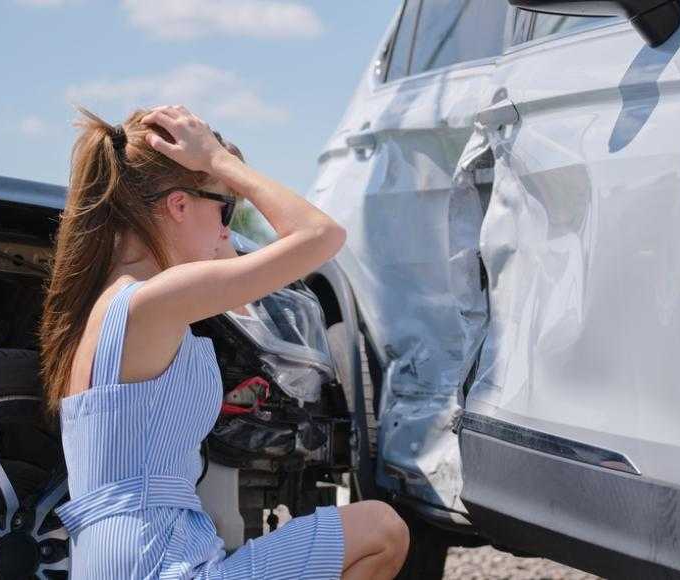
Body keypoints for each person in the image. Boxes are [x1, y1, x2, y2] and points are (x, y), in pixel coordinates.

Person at [38, 104, 409, 579]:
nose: (227, 229)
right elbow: (321, 235)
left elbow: (235, 276)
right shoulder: (158, 300)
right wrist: (218, 162)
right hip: (160, 563)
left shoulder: (103, 311)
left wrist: (212, 189)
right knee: (381, 528)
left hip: (119, 561)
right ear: (177, 205)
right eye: (224, 209)